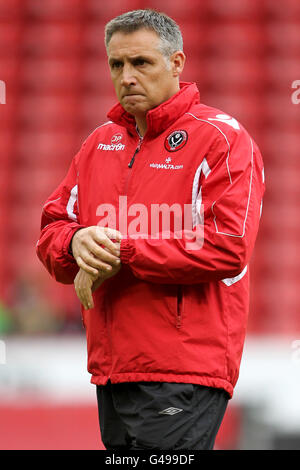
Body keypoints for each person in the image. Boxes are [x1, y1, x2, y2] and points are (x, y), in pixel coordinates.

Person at [36, 9, 265, 450]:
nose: (126, 77)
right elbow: (52, 230)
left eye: (141, 63)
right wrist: (77, 242)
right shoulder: (97, 143)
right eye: (116, 65)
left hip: (184, 368)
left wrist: (118, 250)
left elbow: (228, 245)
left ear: (176, 63)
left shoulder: (221, 139)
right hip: (112, 365)